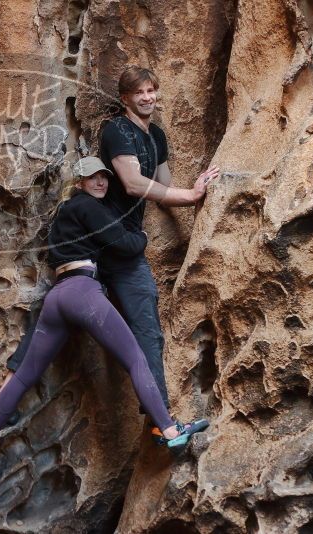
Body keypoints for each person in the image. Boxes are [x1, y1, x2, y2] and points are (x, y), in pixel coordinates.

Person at [0, 157, 209, 461]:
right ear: (79, 183)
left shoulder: (63, 215)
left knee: (25, 376)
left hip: (58, 296)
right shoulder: (87, 206)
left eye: (103, 177)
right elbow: (122, 243)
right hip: (82, 292)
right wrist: (142, 237)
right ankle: (170, 431)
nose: (100, 182)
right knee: (135, 359)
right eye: (92, 178)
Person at [98, 65, 220, 441]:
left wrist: (197, 187)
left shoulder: (158, 136)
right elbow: (134, 184)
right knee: (76, 326)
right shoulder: (117, 130)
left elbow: (163, 186)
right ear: (125, 98)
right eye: (140, 92)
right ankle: (162, 422)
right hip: (104, 240)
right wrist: (190, 195)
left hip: (128, 244)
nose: (148, 97)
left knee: (148, 332)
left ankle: (159, 420)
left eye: (152, 90)